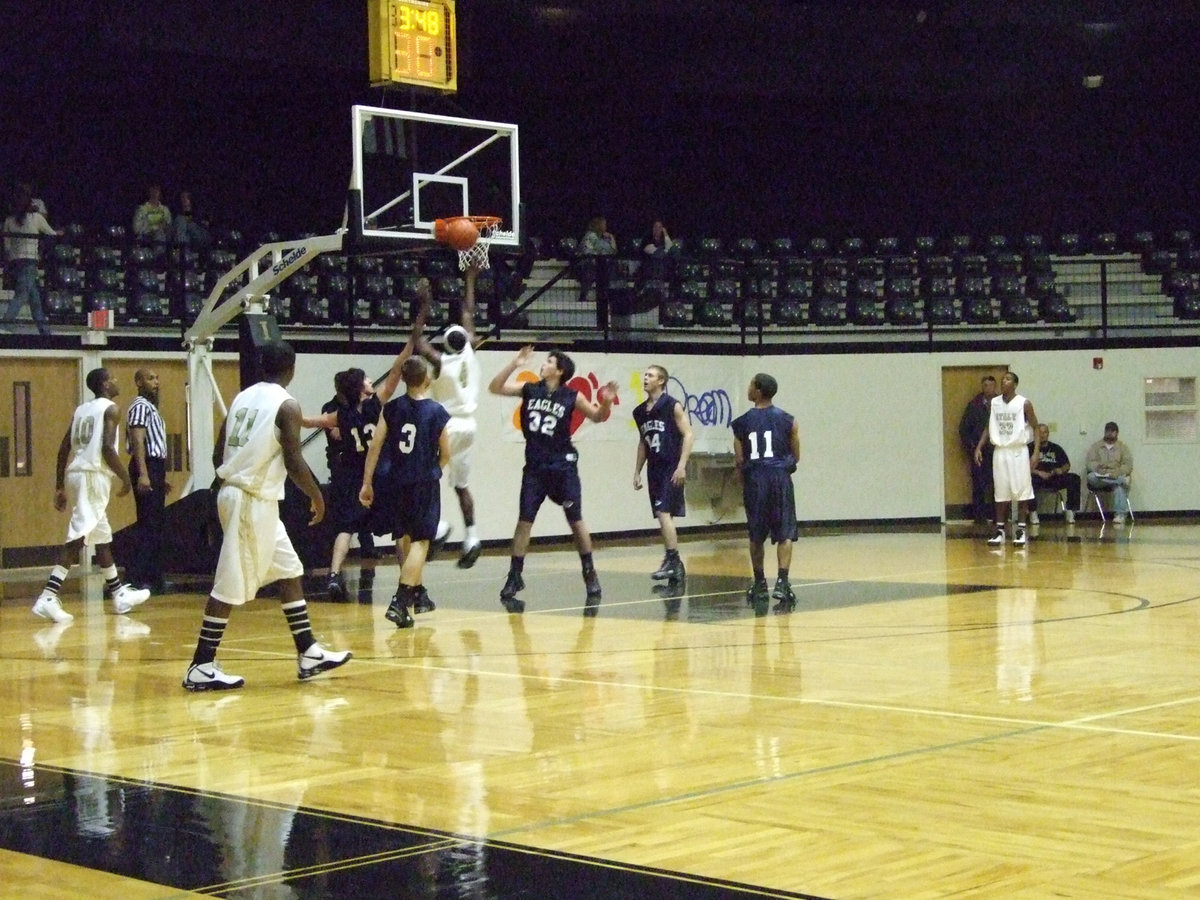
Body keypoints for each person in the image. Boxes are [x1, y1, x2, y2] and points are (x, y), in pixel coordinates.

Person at [182, 341, 351, 691]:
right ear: (291, 367)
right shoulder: (286, 405)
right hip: (250, 499)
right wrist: (317, 497)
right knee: (229, 583)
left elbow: (217, 454)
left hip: (239, 493)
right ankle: (201, 663)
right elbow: (293, 459)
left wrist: (239, 472)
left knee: (289, 570)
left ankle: (309, 652)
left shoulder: (241, 399)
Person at [302, 283, 429, 599]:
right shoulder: (379, 403)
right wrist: (413, 338)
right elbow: (399, 369)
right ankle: (408, 585)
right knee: (400, 530)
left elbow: (306, 421)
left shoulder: (337, 416)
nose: (374, 381)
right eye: (369, 380)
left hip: (349, 479)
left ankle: (334, 575)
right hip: (378, 478)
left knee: (344, 529)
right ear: (362, 388)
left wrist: (282, 416)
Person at [488, 346, 618, 612]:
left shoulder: (572, 395)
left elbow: (597, 416)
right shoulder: (530, 389)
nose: (543, 364)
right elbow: (495, 387)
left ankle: (589, 572)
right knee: (524, 521)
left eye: (549, 361)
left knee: (575, 519)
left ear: (559, 370)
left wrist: (605, 402)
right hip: (535, 467)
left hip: (562, 467)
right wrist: (515, 362)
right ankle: (515, 575)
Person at [31, 368, 150, 624]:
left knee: (101, 536)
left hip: (77, 474)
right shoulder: (111, 409)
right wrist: (126, 478)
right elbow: (107, 448)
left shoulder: (81, 410)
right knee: (79, 535)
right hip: (92, 475)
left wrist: (60, 486)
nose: (117, 381)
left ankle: (118, 594)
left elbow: (64, 449)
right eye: (114, 379)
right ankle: (48, 596)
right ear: (105, 384)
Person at [360, 355, 451, 629]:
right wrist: (434, 469)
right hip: (423, 482)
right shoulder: (436, 412)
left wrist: (367, 483)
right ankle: (400, 601)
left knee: (404, 537)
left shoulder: (391, 407)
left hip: (395, 482)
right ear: (427, 379)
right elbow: (446, 453)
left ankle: (418, 595)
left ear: (402, 379)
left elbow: (375, 446)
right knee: (422, 541)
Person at [414, 262, 484, 568]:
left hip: (449, 425)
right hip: (470, 426)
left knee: (426, 476)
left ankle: (439, 527)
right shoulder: (469, 353)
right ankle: (472, 536)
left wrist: (424, 305)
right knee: (460, 484)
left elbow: (417, 341)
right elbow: (468, 311)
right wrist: (470, 277)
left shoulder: (442, 363)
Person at [731, 373, 801, 614]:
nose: (748, 388)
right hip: (779, 478)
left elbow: (740, 460)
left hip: (756, 479)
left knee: (756, 533)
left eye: (751, 385)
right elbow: (796, 456)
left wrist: (743, 477)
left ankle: (760, 582)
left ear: (758, 391)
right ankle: (782, 581)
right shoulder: (789, 420)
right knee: (785, 532)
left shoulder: (741, 424)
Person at [632, 364, 694, 583]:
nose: (645, 378)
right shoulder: (639, 411)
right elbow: (643, 442)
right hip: (654, 469)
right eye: (645, 375)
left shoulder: (672, 405)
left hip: (671, 466)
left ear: (661, 381)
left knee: (663, 512)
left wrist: (682, 465)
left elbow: (688, 434)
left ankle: (672, 560)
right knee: (663, 514)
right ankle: (675, 565)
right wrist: (637, 471)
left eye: (650, 375)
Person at [974, 371, 1039, 547]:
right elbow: (989, 427)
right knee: (1001, 492)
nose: (1004, 381)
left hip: (1018, 450)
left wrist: (1036, 453)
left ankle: (1020, 529)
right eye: (1002, 379)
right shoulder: (994, 403)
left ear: (1015, 384)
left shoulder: (1024, 403)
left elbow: (1036, 427)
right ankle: (1000, 531)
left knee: (1022, 491)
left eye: (1008, 379)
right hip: (1000, 450)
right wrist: (979, 446)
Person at [126, 368, 173, 593]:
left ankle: (154, 576)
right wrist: (143, 473)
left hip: (155, 467)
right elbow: (138, 440)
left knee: (156, 524)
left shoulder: (152, 408)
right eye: (150, 378)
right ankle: (135, 577)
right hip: (146, 465)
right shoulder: (140, 406)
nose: (155, 382)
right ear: (138, 382)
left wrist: (160, 477)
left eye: (156, 378)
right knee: (147, 524)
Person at [2, 182, 60, 335]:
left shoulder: (9, 220)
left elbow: (7, 247)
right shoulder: (36, 218)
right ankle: (5, 324)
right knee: (22, 294)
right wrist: (59, 233)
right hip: (29, 260)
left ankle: (44, 330)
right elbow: (51, 233)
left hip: (16, 261)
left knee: (34, 297)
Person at [958, 375, 998, 524]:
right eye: (985, 385)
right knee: (979, 484)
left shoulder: (1001, 404)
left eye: (991, 385)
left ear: (995, 387)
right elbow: (963, 428)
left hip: (997, 450)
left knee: (997, 484)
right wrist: (972, 447)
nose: (988, 388)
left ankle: (997, 516)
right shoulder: (974, 405)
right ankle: (979, 517)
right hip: (979, 451)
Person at [1028, 423, 1079, 524]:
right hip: (1036, 477)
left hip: (1054, 477)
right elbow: (1022, 467)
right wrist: (1038, 472)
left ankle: (1070, 510)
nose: (1042, 435)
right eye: (1040, 433)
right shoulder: (1029, 448)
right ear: (1035, 434)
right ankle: (1032, 512)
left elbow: (1067, 465)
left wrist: (1060, 470)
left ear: (1048, 434)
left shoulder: (1056, 448)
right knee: (1027, 482)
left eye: (1045, 432)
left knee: (1074, 478)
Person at [1085, 421, 1133, 525]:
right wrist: (1098, 468)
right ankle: (1120, 481)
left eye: (1113, 431)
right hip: (1100, 477)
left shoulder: (1123, 447)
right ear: (1104, 432)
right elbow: (1089, 463)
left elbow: (1128, 465)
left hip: (1115, 474)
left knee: (1119, 487)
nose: (1110, 433)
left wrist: (1117, 472)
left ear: (1117, 433)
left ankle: (1120, 515)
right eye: (1108, 431)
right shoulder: (1096, 447)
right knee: (1090, 477)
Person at [577, 216, 617, 303]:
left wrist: (611, 237)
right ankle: (584, 295)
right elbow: (590, 252)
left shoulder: (603, 238)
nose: (606, 227)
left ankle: (607, 294)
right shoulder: (591, 236)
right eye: (604, 224)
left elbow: (613, 251)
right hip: (586, 263)